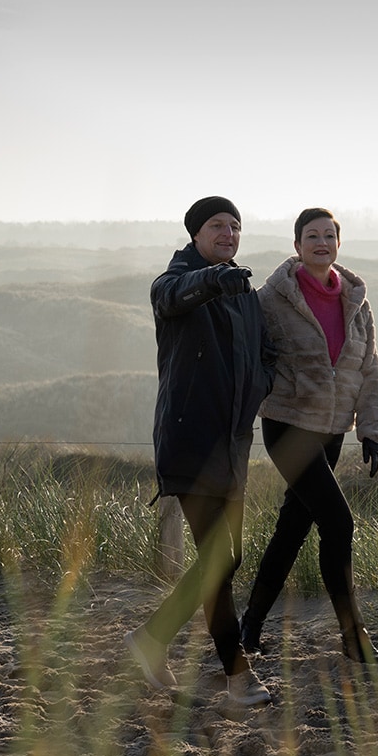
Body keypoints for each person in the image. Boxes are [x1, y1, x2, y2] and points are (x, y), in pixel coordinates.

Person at [125, 195, 277, 706]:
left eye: (235, 226)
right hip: (191, 442)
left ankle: (153, 639)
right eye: (217, 225)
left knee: (225, 559)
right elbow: (175, 296)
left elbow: (262, 350)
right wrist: (214, 280)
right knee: (219, 558)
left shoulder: (244, 290)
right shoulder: (175, 283)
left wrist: (265, 378)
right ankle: (237, 676)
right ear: (195, 233)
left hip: (233, 447)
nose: (228, 233)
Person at [240, 207, 378, 663]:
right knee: (339, 522)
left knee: (293, 527)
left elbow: (369, 368)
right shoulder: (271, 298)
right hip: (287, 424)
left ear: (338, 244)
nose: (321, 243)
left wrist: (372, 430)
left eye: (329, 235)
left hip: (331, 429)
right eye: (312, 236)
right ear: (297, 245)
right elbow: (252, 357)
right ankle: (353, 636)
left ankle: (249, 626)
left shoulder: (357, 301)